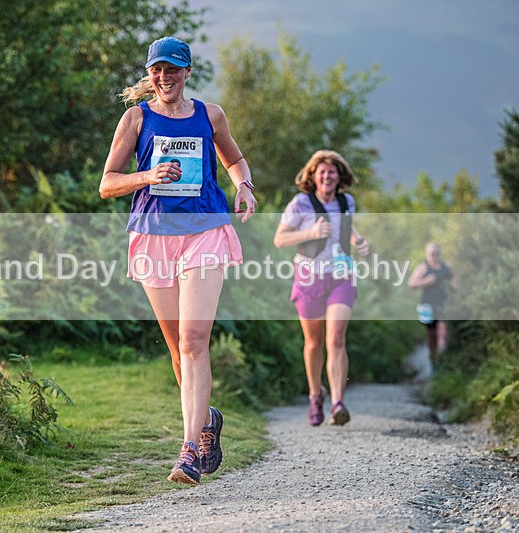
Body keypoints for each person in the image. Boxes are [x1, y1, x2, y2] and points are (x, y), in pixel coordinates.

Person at [99, 36, 257, 485]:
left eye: (173, 69)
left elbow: (235, 160)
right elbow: (107, 184)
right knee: (177, 351)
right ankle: (206, 420)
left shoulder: (210, 115)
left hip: (205, 231)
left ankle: (188, 451)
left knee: (193, 341)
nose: (164, 77)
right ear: (149, 75)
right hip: (153, 237)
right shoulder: (135, 118)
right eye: (157, 70)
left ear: (187, 72)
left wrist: (244, 185)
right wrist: (147, 175)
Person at [273, 150, 369, 427]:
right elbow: (280, 239)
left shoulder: (346, 202)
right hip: (308, 277)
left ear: (340, 176)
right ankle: (316, 395)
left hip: (341, 275)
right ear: (313, 176)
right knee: (314, 342)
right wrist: (311, 234)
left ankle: (338, 403)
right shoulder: (301, 203)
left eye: (332, 171)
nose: (327, 176)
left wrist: (360, 242)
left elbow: (347, 229)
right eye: (322, 171)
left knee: (336, 338)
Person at [408, 242, 455, 367]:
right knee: (431, 335)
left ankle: (442, 362)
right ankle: (433, 360)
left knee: (442, 333)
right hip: (427, 306)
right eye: (431, 253)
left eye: (436, 253)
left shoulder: (446, 267)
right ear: (427, 254)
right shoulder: (423, 267)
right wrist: (426, 281)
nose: (434, 256)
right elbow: (411, 283)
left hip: (443, 305)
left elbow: (456, 282)